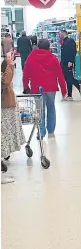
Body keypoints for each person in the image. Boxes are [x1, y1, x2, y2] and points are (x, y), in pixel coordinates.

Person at [23, 39, 67, 139]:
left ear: (38, 46)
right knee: (51, 108)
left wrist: (26, 87)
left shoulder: (31, 57)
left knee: (39, 110)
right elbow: (60, 75)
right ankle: (51, 130)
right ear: (49, 47)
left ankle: (41, 132)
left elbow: (26, 74)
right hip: (51, 87)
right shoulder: (53, 58)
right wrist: (64, 90)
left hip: (37, 88)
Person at [1, 52, 26, 184]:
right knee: (3, 135)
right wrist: (9, 65)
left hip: (6, 104)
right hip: (3, 106)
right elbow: (4, 82)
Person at [59, 30, 80, 100]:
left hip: (68, 63)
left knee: (70, 79)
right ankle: (69, 95)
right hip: (63, 63)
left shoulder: (70, 41)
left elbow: (73, 51)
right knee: (67, 79)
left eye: (59, 33)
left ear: (63, 33)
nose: (59, 35)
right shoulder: (64, 42)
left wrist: (71, 61)